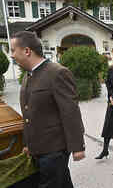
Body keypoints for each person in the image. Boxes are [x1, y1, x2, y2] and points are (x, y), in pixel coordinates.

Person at [11, 31, 85, 188]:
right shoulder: (28, 75)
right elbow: (29, 113)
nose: (11, 55)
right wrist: (27, 143)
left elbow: (70, 112)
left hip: (54, 149)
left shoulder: (57, 73)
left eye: (12, 50)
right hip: (37, 148)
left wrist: (77, 147)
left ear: (26, 51)